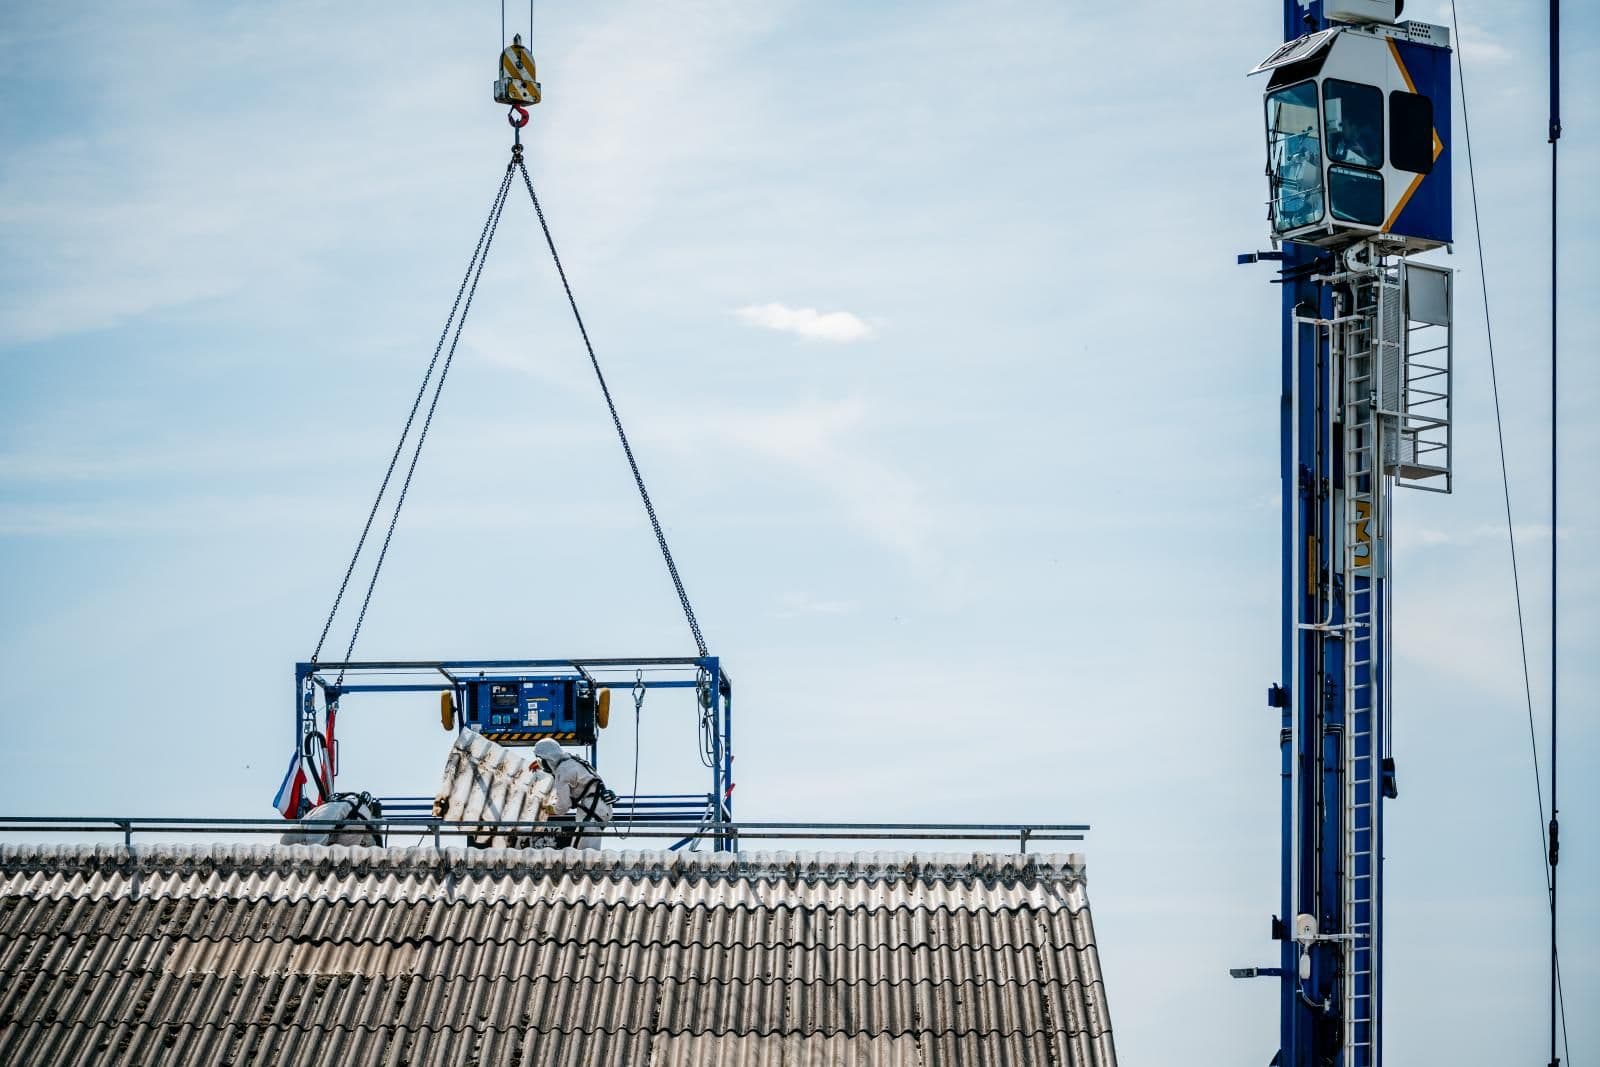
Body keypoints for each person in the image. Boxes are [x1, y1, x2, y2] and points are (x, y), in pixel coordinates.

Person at [532, 738, 615, 849]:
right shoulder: (572, 762)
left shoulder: (562, 771)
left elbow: (563, 806)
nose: (543, 767)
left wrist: (551, 809)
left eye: (542, 762)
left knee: (582, 853)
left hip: (591, 810)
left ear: (549, 759)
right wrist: (542, 766)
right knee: (587, 851)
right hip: (598, 807)